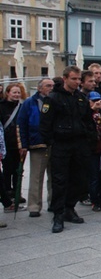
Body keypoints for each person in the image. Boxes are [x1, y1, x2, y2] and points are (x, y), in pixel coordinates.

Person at [40, 66, 95, 233]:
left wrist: (90, 139)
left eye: (79, 79)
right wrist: (51, 142)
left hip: (79, 144)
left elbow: (88, 120)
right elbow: (45, 123)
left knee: (80, 180)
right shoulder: (53, 98)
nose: (77, 82)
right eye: (74, 79)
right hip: (61, 144)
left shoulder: (80, 98)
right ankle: (58, 214)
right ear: (65, 78)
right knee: (60, 181)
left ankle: (70, 207)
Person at [18, 78, 54, 218]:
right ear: (40, 88)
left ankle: (53, 202)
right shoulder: (29, 103)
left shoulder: (55, 101)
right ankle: (34, 206)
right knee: (36, 177)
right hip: (37, 143)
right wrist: (23, 145)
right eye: (47, 86)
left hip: (54, 143)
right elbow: (22, 124)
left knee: (54, 175)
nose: (51, 88)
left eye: (52, 85)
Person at [0, 83, 27, 202]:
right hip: (5, 143)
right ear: (8, 93)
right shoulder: (1, 106)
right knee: (7, 169)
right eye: (14, 92)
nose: (16, 95)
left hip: (19, 143)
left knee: (18, 169)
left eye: (18, 92)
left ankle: (17, 193)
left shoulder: (22, 107)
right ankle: (7, 192)